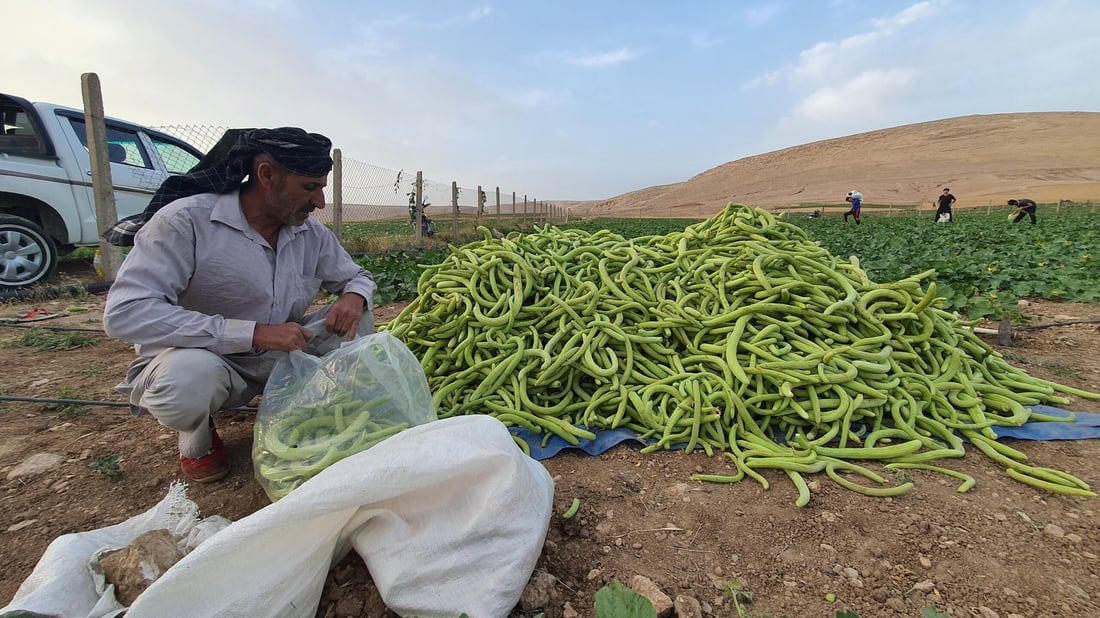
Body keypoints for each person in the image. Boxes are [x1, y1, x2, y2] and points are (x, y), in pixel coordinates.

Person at [102, 127, 376, 484]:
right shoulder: (185, 222)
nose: (320, 202)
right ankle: (197, 440)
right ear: (267, 176)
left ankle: (301, 412)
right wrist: (254, 334)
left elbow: (357, 277)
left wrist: (354, 296)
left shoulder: (311, 234)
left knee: (360, 317)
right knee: (184, 382)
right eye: (310, 187)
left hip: (284, 355)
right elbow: (126, 312)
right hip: (210, 359)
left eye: (322, 188)